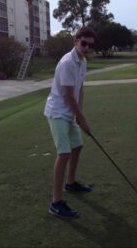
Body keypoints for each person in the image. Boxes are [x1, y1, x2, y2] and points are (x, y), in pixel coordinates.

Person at [44, 26, 96, 218]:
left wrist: (79, 114)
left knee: (77, 146)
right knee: (64, 153)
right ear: (76, 41)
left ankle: (70, 183)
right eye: (84, 43)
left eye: (90, 45)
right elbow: (67, 96)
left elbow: (79, 89)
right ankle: (56, 203)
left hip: (69, 112)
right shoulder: (67, 62)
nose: (87, 48)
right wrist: (82, 119)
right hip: (57, 112)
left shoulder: (82, 62)